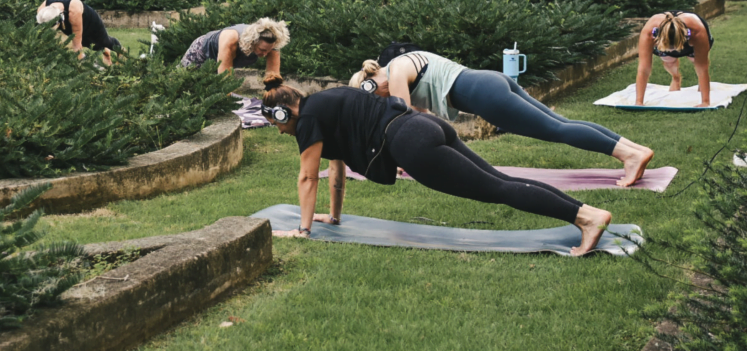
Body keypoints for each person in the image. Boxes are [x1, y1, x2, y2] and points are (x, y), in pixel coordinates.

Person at [259, 73, 612, 256]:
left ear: (283, 112)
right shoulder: (327, 102)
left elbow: (308, 178)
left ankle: (586, 218)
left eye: (277, 125)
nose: (280, 133)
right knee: (501, 180)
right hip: (425, 126)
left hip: (410, 142)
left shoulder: (306, 120)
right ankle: (586, 213)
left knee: (497, 190)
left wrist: (302, 232)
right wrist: (333, 218)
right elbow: (334, 171)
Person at [349, 51, 654, 187]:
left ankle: (627, 155)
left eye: (373, 97)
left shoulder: (396, 71)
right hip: (488, 83)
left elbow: (401, 117)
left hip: (483, 95)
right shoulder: (404, 66)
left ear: (370, 84)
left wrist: (393, 152)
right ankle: (635, 150)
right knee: (558, 123)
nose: (380, 102)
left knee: (554, 129)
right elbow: (420, 119)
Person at [635, 11, 714, 107]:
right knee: (668, 59)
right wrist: (639, 102)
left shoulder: (696, 31)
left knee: (695, 59)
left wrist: (705, 102)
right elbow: (644, 69)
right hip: (666, 36)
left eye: (674, 47)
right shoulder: (649, 33)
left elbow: (702, 67)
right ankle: (676, 78)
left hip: (691, 35)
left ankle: (701, 84)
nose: (673, 51)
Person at [180, 18, 289, 74]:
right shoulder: (231, 40)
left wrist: (273, 99)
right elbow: (225, 76)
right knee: (183, 79)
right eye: (262, 50)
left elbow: (273, 75)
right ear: (253, 42)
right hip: (201, 50)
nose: (265, 54)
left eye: (268, 51)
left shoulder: (272, 42)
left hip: (225, 54)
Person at [36, 0, 121, 66]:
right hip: (66, 20)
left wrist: (81, 67)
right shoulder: (42, 11)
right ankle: (105, 52)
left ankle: (121, 50)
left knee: (103, 41)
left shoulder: (74, 11)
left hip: (89, 21)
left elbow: (76, 46)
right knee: (87, 43)